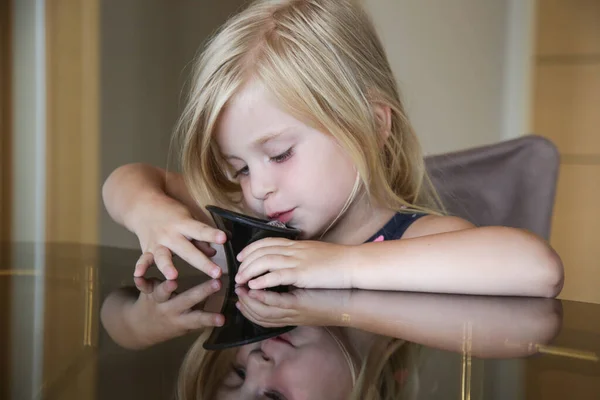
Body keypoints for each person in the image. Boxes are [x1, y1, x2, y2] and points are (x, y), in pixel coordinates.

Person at [102, 0, 564, 299]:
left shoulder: (415, 239)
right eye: (240, 168)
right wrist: (148, 214)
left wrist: (344, 264)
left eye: (280, 154)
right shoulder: (253, 228)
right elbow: (130, 179)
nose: (259, 187)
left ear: (372, 125)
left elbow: (535, 267)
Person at [100, 276, 562, 399]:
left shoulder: (263, 229)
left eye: (237, 373)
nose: (256, 362)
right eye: (274, 398)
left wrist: (139, 326)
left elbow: (132, 181)